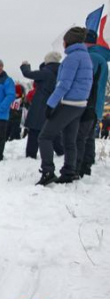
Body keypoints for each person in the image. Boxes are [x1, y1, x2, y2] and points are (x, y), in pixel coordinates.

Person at [36, 27, 93, 185]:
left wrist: (50, 104)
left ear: (68, 41)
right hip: (80, 104)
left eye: (64, 41)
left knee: (45, 136)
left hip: (68, 103)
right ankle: (69, 172)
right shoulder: (85, 56)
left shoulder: (72, 58)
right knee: (70, 139)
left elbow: (64, 84)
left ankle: (48, 171)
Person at [75, 30, 109, 177]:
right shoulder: (101, 58)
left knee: (81, 136)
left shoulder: (90, 57)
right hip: (97, 103)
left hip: (87, 102)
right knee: (88, 136)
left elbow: (85, 80)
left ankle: (81, 166)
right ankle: (87, 164)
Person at [21, 52, 63, 158]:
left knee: (35, 129)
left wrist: (25, 66)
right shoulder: (61, 71)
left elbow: (28, 74)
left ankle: (31, 154)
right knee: (52, 130)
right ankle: (60, 150)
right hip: (54, 103)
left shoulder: (46, 72)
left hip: (40, 104)